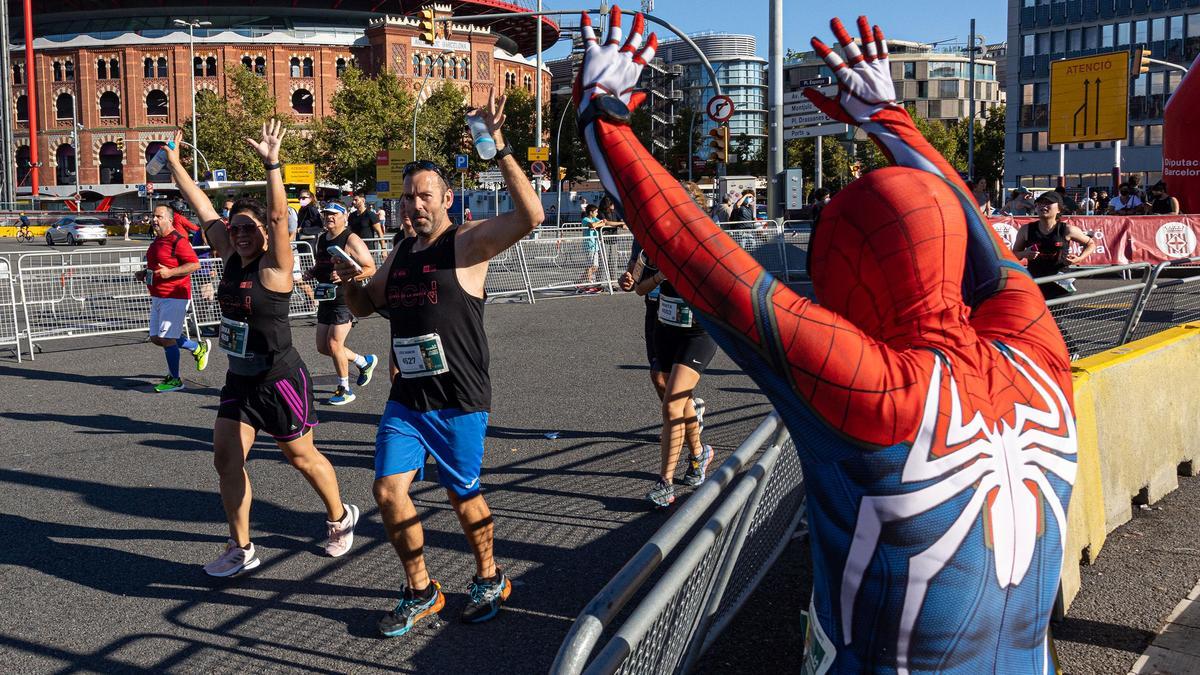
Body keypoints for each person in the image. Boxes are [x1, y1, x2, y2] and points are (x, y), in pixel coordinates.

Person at [575, 10, 1078, 671]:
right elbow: (987, 245)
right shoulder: (1040, 356)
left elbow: (709, 267)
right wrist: (888, 119)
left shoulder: (881, 394)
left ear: (848, 275)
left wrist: (602, 119)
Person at [337, 90, 543, 636]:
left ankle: (489, 575)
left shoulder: (467, 244)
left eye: (424, 196)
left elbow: (532, 214)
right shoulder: (401, 252)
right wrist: (348, 280)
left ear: (447, 199)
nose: (414, 205)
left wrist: (498, 148)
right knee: (387, 491)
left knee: (461, 495)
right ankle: (421, 589)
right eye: (408, 197)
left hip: (459, 399)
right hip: (407, 398)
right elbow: (365, 304)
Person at [164, 124, 360, 576]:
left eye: (249, 227)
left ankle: (339, 516)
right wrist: (176, 165)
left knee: (300, 457)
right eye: (235, 228)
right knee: (226, 459)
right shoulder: (229, 252)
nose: (241, 233)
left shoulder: (276, 266)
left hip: (280, 380)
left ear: (266, 235)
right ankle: (241, 547)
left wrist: (273, 164)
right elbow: (201, 204)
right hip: (240, 380)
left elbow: (275, 217)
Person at [635, 183, 717, 508]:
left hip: (699, 333)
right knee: (675, 401)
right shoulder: (659, 244)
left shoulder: (709, 245)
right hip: (666, 327)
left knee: (671, 404)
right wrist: (659, 277)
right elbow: (641, 288)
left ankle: (665, 484)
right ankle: (699, 454)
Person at [306, 201, 378, 405]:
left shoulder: (350, 238)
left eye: (333, 215)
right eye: (326, 214)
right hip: (326, 297)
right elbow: (322, 264)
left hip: (345, 298)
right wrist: (313, 272)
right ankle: (363, 362)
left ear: (344, 217)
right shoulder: (322, 238)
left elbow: (370, 268)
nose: (329, 217)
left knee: (334, 343)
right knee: (323, 346)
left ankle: (344, 388)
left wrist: (348, 277)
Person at [134, 204, 210, 392]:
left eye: (159, 216)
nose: (154, 220)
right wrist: (144, 273)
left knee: (167, 338)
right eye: (153, 216)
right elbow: (158, 266)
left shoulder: (179, 240)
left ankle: (175, 380)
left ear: (169, 219)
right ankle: (197, 348)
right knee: (155, 338)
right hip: (158, 295)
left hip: (175, 294)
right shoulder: (157, 241)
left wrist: (171, 273)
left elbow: (194, 264)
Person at [1012, 190, 1097, 301]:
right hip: (1036, 283)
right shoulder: (1026, 230)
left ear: (1059, 209)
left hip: (1061, 283)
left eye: (1048, 203)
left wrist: (1079, 258)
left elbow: (1091, 244)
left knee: (1055, 317)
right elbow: (1014, 254)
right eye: (1040, 203)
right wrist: (1025, 253)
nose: (1043, 206)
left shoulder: (1067, 230)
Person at [578, 203, 604, 293]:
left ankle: (579, 281)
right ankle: (589, 283)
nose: (597, 213)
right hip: (589, 245)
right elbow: (592, 225)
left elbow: (603, 223)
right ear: (590, 212)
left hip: (595, 245)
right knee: (590, 265)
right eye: (596, 212)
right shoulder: (585, 219)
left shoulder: (594, 219)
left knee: (595, 266)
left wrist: (598, 223)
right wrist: (597, 224)